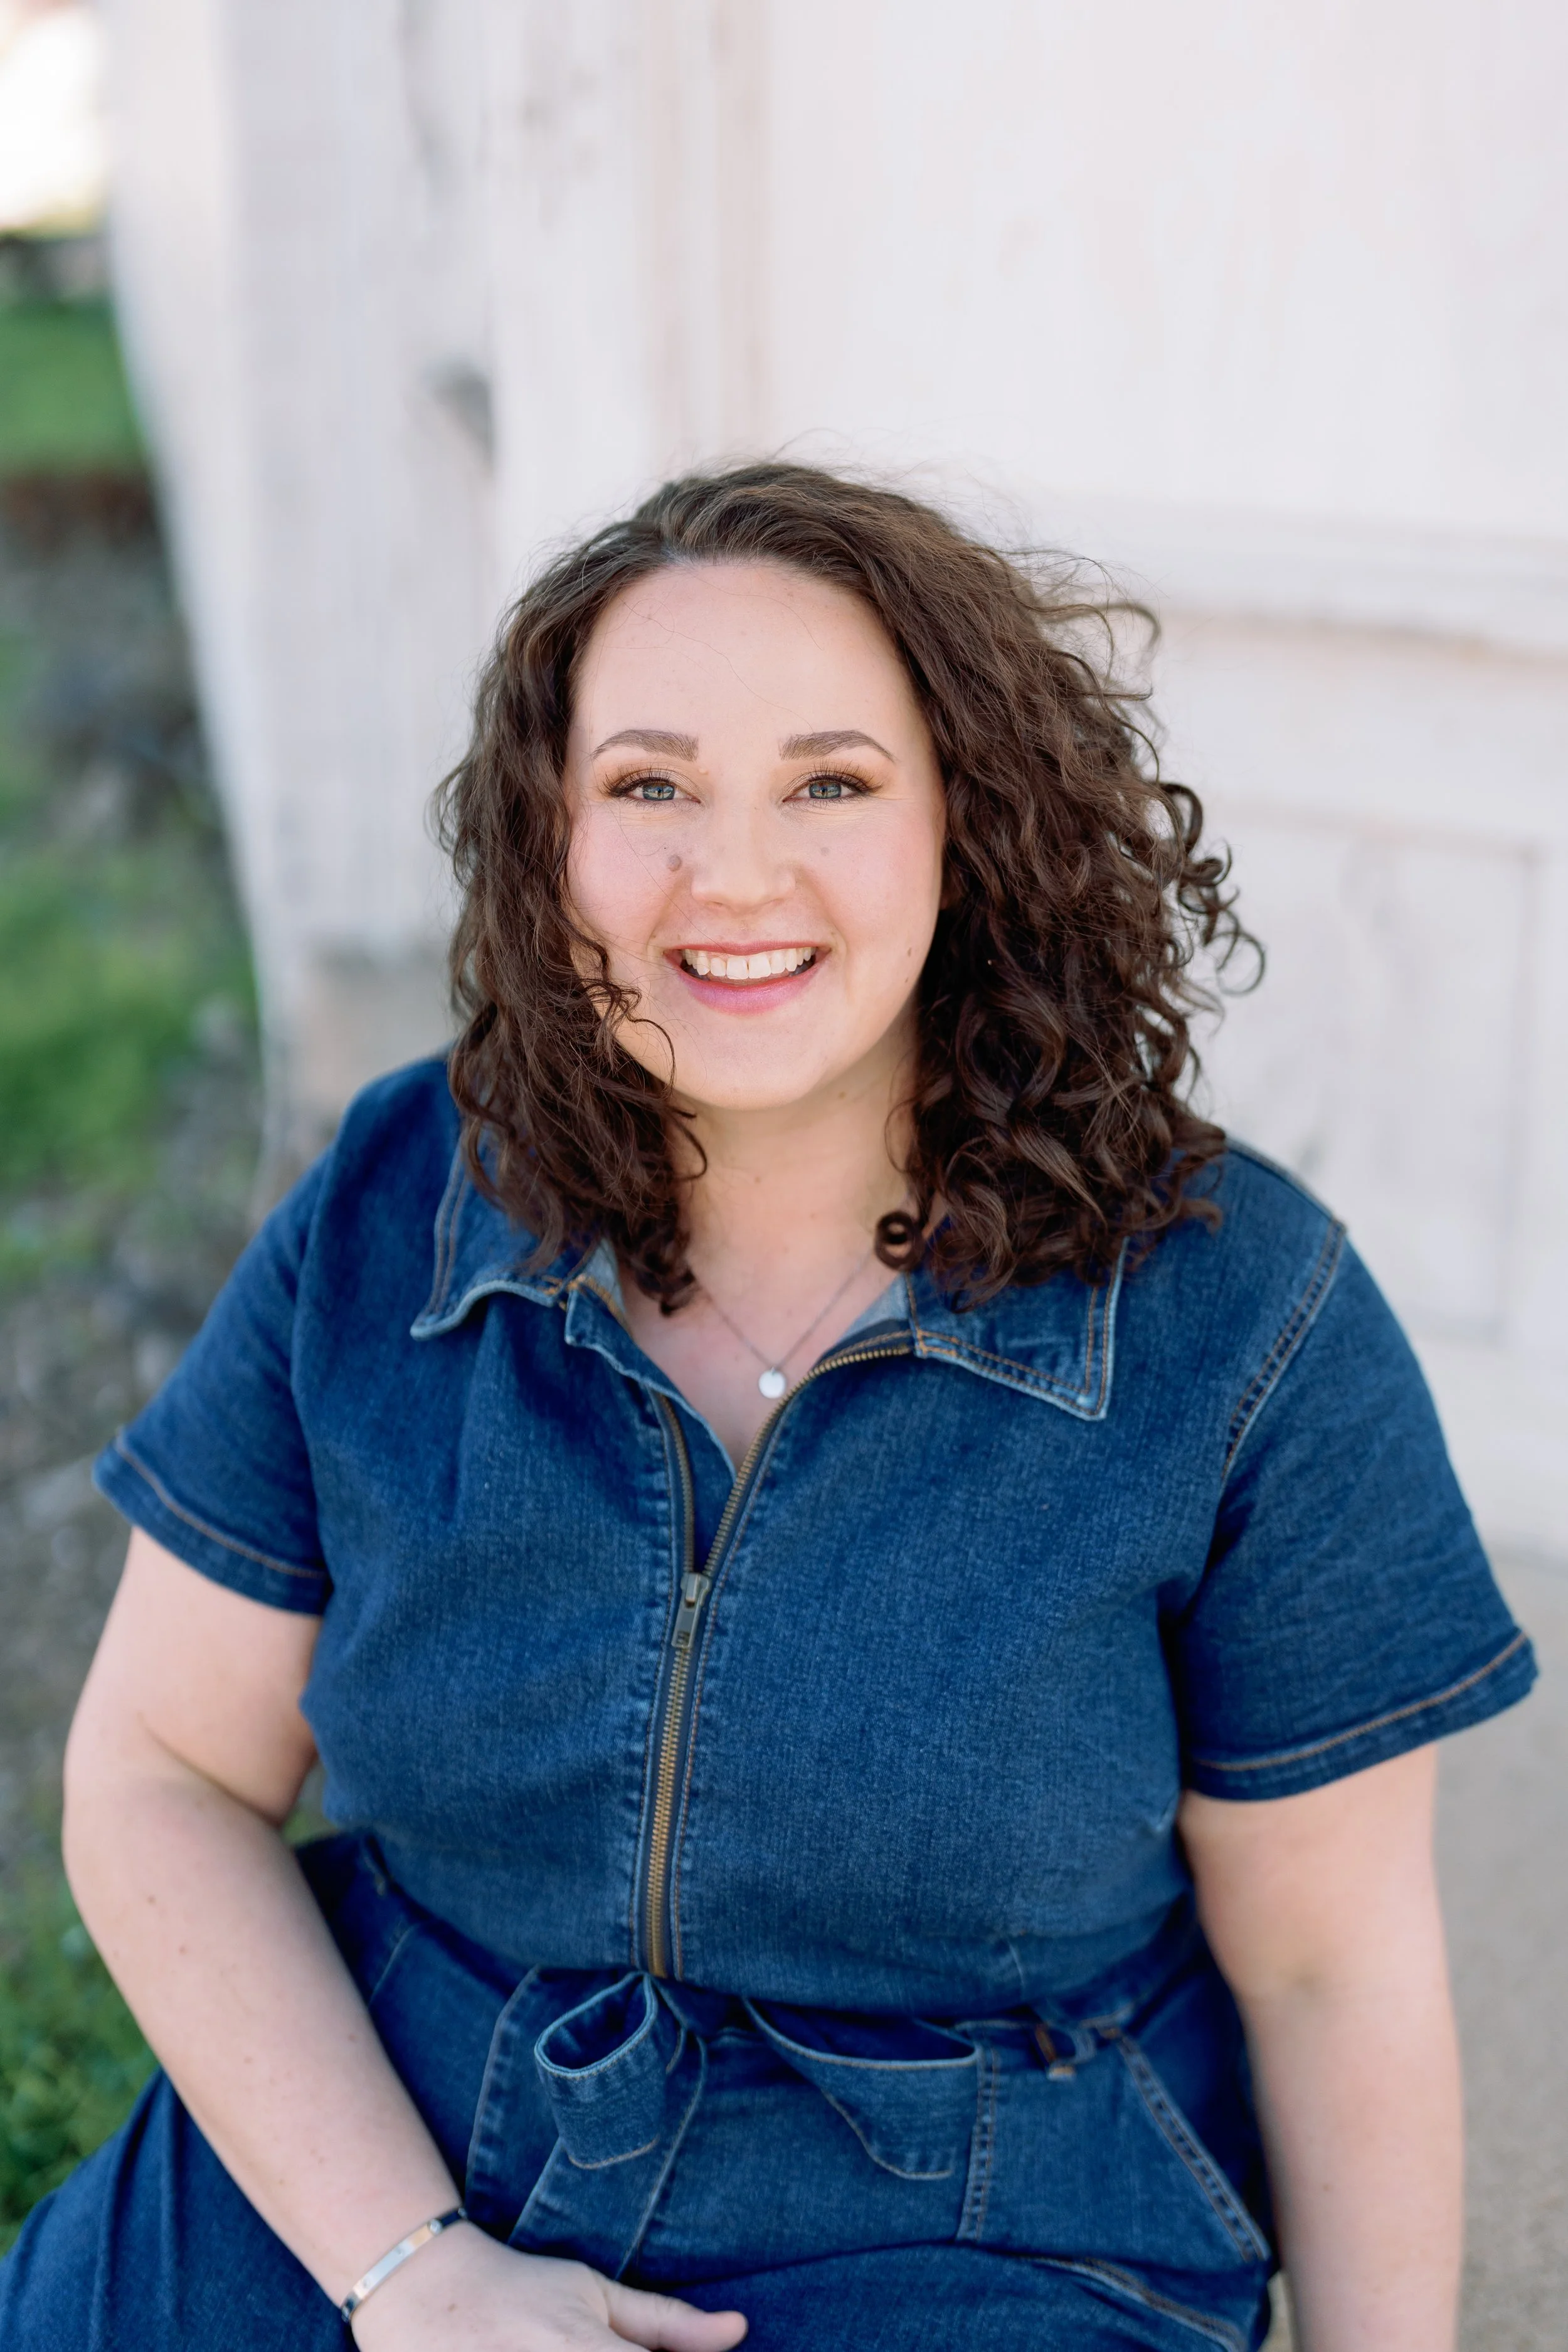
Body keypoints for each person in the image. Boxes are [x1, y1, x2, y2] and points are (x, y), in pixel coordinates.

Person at [0, 464, 1534, 2352]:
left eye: (831, 780)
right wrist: (411, 2270)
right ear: (547, 835)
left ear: (965, 825)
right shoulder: (398, 1198)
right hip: (393, 2119)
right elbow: (159, 1773)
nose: (732, 874)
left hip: (980, 2216)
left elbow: (1325, 1963)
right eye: (648, 786)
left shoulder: (1239, 1315)